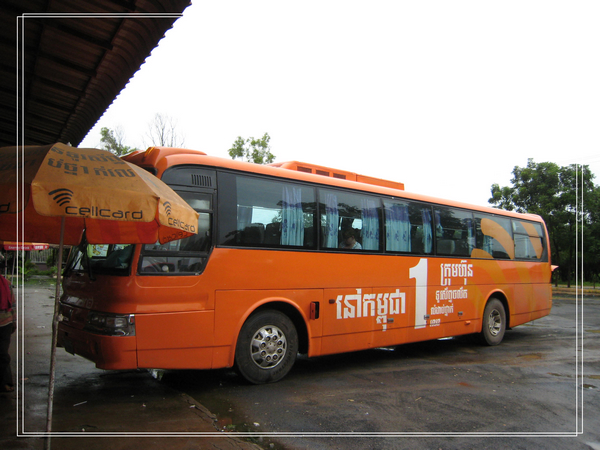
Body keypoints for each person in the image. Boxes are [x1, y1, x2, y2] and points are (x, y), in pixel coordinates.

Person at [0, 262, 16, 393]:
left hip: (5, 323)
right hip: (6, 322)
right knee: (2, 354)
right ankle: (5, 382)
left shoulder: (6, 284)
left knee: (2, 354)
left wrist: (14, 321)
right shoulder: (6, 283)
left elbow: (13, 303)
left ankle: (5, 382)